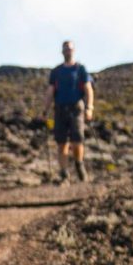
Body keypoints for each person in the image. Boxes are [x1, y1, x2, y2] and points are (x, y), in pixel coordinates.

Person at [43, 41, 94, 182]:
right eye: (65, 49)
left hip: (76, 109)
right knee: (61, 143)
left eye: (70, 49)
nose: (67, 51)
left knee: (77, 140)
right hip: (60, 109)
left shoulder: (80, 69)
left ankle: (79, 164)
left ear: (74, 50)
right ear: (62, 51)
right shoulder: (56, 72)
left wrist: (90, 107)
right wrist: (45, 110)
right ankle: (64, 174)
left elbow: (88, 89)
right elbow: (50, 91)